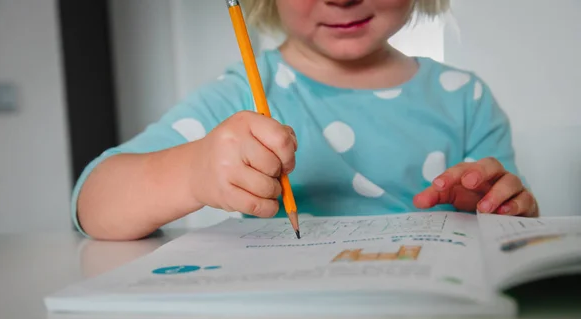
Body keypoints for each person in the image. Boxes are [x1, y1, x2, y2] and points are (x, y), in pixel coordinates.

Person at [74, 0, 539, 241]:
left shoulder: (466, 99)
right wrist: (191, 172)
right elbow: (93, 203)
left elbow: (510, 236)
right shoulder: (246, 93)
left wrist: (503, 210)